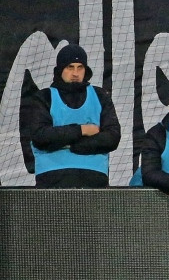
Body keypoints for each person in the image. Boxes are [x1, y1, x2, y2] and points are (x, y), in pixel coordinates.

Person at [19, 43, 121, 188]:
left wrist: (70, 145)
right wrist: (82, 130)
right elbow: (40, 136)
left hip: (93, 176)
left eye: (80, 68)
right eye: (70, 67)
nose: (75, 73)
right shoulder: (44, 97)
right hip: (53, 177)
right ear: (60, 69)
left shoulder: (100, 96)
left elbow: (112, 137)